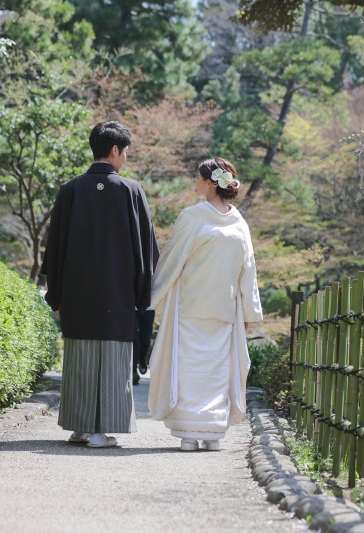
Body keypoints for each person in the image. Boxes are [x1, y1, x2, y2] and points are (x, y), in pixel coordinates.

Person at [41, 121, 159, 448]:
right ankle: (100, 432)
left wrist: (57, 295)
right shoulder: (132, 191)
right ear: (115, 150)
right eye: (125, 153)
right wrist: (142, 293)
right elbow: (145, 249)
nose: (125, 159)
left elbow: (55, 248)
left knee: (79, 359)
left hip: (77, 295)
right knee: (111, 361)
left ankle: (79, 427)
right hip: (117, 295)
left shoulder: (70, 190)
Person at [148, 157, 263, 451]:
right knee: (215, 369)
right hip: (222, 306)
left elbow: (172, 258)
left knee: (191, 368)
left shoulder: (192, 216)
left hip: (192, 302)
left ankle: (191, 433)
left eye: (198, 178)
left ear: (211, 183)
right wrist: (249, 310)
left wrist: (151, 295)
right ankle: (211, 433)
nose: (194, 183)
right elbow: (247, 268)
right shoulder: (239, 223)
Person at [132, 307, 155, 385]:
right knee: (133, 338)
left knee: (145, 340)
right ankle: (133, 371)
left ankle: (142, 357)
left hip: (148, 307)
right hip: (132, 306)